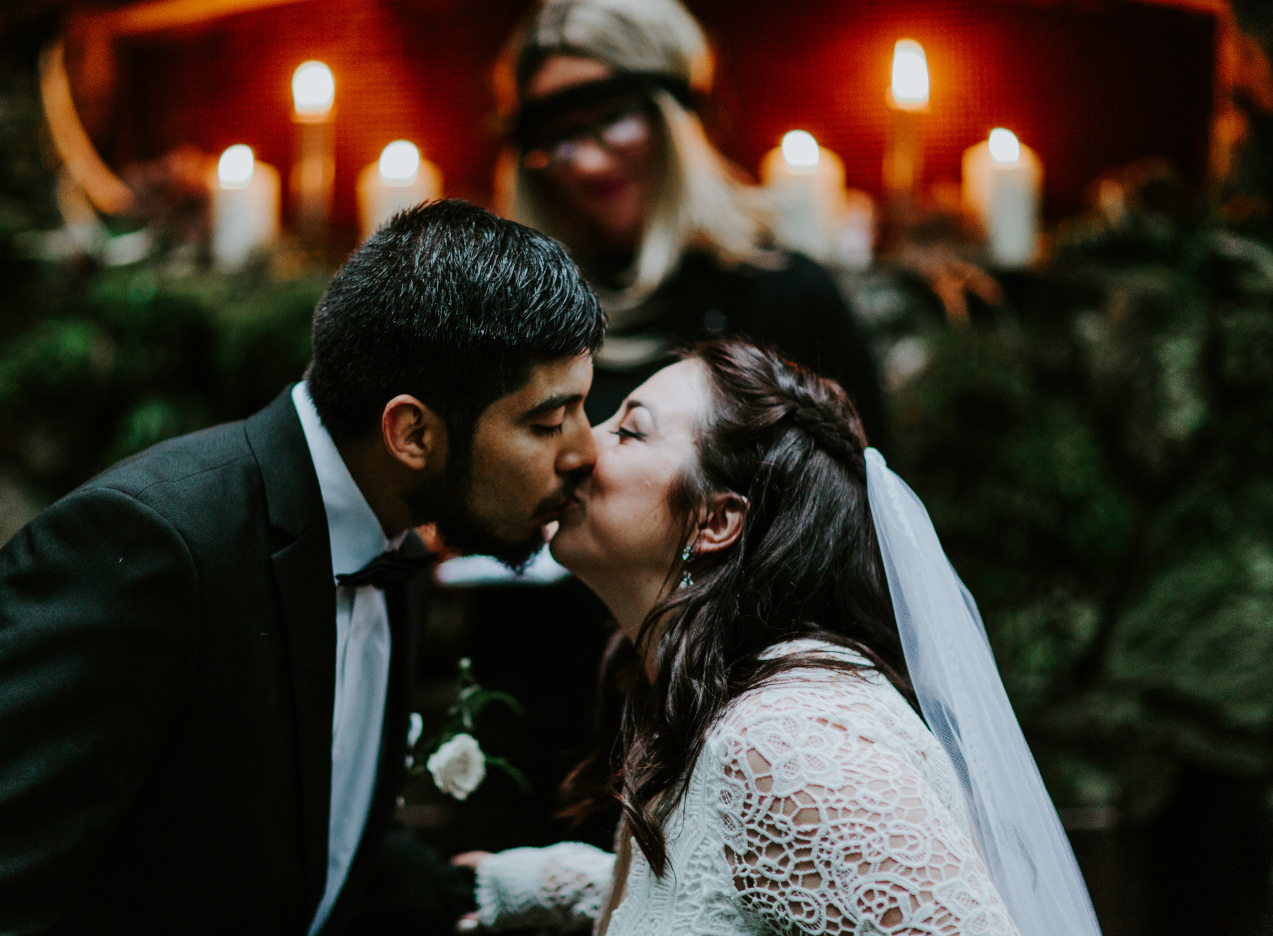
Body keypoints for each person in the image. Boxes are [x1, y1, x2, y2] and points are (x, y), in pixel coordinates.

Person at [0, 200, 606, 935]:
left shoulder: (393, 559)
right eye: (547, 422)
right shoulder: (147, 549)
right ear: (411, 432)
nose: (584, 452)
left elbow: (314, 843)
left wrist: (512, 888)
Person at [460, 340, 1103, 936]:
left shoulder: (785, 745)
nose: (580, 450)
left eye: (628, 430)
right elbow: (712, 890)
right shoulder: (703, 703)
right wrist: (540, 884)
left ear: (716, 520)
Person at [493, 0, 887, 445]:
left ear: (675, 122)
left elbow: (866, 501)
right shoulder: (519, 329)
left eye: (611, 118)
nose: (586, 162)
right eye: (558, 137)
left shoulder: (789, 299)